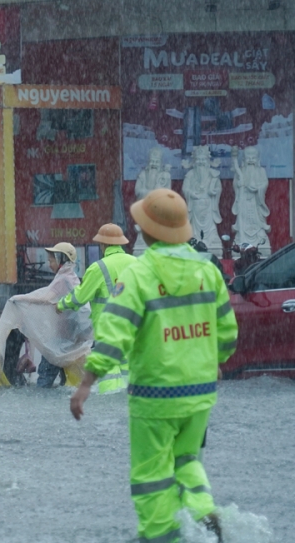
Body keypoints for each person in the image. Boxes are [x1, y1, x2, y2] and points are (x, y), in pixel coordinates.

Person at [70, 189, 237, 543]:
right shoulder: (208, 271)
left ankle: (160, 535)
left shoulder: (140, 274)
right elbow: (227, 331)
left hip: (155, 396)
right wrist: (217, 361)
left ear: (146, 232)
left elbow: (114, 333)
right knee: (188, 459)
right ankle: (203, 508)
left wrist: (87, 382)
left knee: (151, 473)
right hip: (200, 393)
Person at [0, 242, 93, 388]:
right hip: (72, 337)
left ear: (61, 259)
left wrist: (20, 299)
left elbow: (45, 298)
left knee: (45, 373)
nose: (49, 264)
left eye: (51, 260)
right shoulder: (72, 278)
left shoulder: (63, 279)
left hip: (62, 340)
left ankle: (42, 398)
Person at [57, 223, 136, 394]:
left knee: (109, 378)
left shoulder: (98, 268)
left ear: (103, 244)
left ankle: (109, 405)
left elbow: (79, 297)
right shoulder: (137, 263)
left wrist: (61, 304)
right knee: (129, 373)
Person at [181, 145, 223, 254]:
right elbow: (185, 188)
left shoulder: (213, 175)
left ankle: (212, 239)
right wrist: (191, 193)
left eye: (203, 159)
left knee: (210, 225)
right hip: (195, 204)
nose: (200, 162)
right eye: (198, 160)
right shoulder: (190, 175)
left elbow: (218, 188)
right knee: (194, 228)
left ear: (208, 161)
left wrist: (214, 192)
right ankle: (195, 240)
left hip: (208, 204)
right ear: (194, 162)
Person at [231, 145, 271, 253]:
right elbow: (235, 183)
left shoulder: (261, 171)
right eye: (248, 157)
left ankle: (259, 238)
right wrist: (238, 185)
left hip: (256, 202)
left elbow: (265, 183)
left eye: (253, 157)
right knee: (243, 220)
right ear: (244, 159)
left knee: (257, 220)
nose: (251, 160)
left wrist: (258, 189)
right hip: (243, 201)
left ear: (257, 159)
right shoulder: (240, 171)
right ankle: (242, 239)